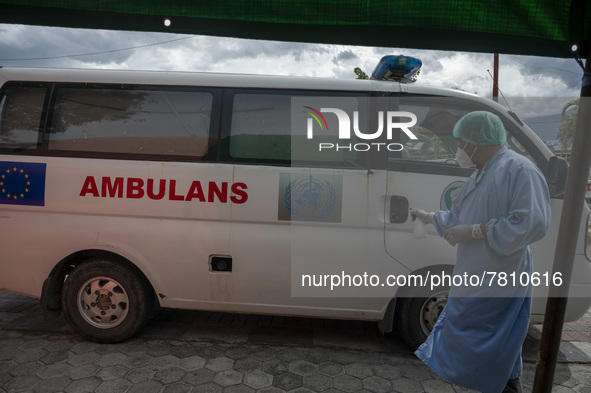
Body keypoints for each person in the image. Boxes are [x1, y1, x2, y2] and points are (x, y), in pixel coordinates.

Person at [411, 111, 551, 393]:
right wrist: (430, 217)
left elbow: (532, 223)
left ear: (477, 139)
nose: (460, 148)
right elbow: (458, 216)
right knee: (490, 348)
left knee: (496, 344)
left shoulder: (519, 170)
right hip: (474, 275)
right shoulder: (480, 174)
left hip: (502, 278)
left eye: (462, 141)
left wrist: (478, 230)